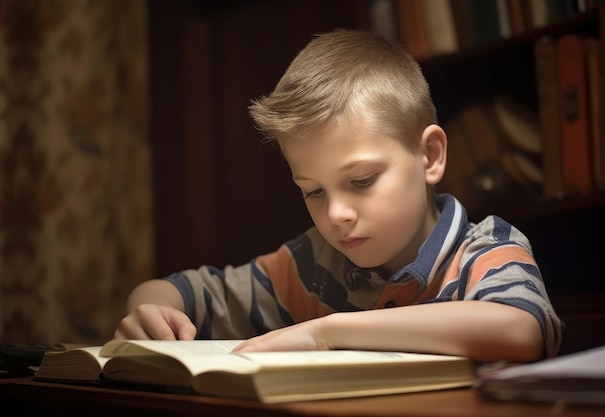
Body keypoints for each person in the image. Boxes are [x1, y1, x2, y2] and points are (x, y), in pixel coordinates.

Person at [114, 29, 562, 363]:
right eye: (313, 191)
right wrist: (150, 309)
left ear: (429, 156)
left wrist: (326, 333)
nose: (336, 214)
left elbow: (520, 328)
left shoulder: (485, 251)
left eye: (362, 180)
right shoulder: (312, 266)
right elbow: (179, 292)